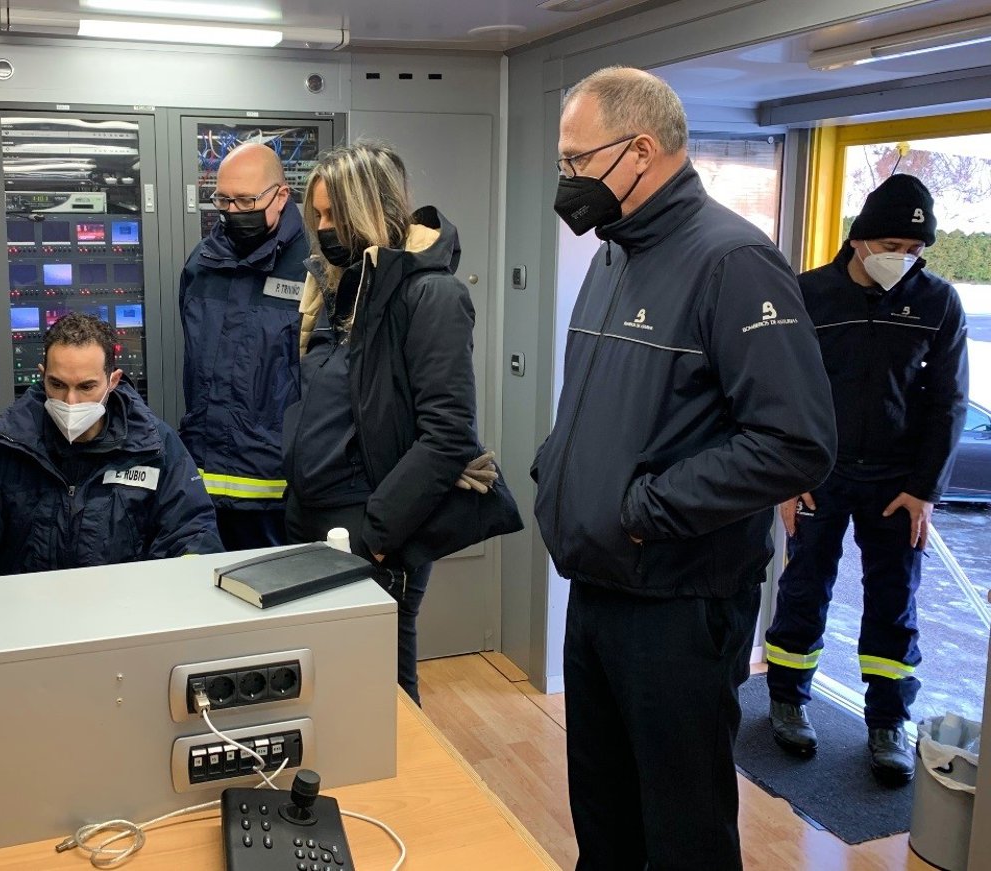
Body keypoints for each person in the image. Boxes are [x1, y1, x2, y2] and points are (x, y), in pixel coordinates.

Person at [532, 67, 836, 871]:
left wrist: (643, 509)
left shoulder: (733, 261)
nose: (567, 179)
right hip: (598, 585)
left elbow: (797, 441)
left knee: (682, 835)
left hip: (677, 603)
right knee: (604, 820)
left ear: (641, 150)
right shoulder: (614, 254)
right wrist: (558, 469)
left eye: (577, 160)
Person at [282, 142, 518, 705]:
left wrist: (380, 537)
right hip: (315, 522)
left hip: (371, 529)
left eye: (334, 215)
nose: (323, 229)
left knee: (383, 698)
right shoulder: (338, 290)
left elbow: (449, 435)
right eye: (317, 216)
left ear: (370, 209)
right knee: (326, 694)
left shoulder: (431, 294)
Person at [765, 174, 969, 785]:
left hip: (897, 485)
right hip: (818, 476)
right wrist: (788, 474)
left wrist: (926, 490)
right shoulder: (808, 294)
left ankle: (887, 723)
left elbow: (948, 401)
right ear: (858, 240)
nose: (901, 258)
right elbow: (782, 389)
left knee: (894, 602)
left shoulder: (938, 302)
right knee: (804, 587)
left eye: (914, 250)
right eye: (890, 246)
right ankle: (787, 700)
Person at [0, 313, 221, 588]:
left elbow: (193, 536)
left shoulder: (154, 448)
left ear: (113, 381)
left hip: (123, 618)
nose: (70, 401)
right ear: (42, 374)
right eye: (57, 385)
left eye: (87, 387)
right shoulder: (7, 447)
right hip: (22, 619)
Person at [178, 141, 308, 550]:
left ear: (281, 196)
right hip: (203, 484)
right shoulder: (201, 264)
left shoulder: (312, 268)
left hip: (279, 492)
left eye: (247, 201)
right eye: (224, 200)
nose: (233, 212)